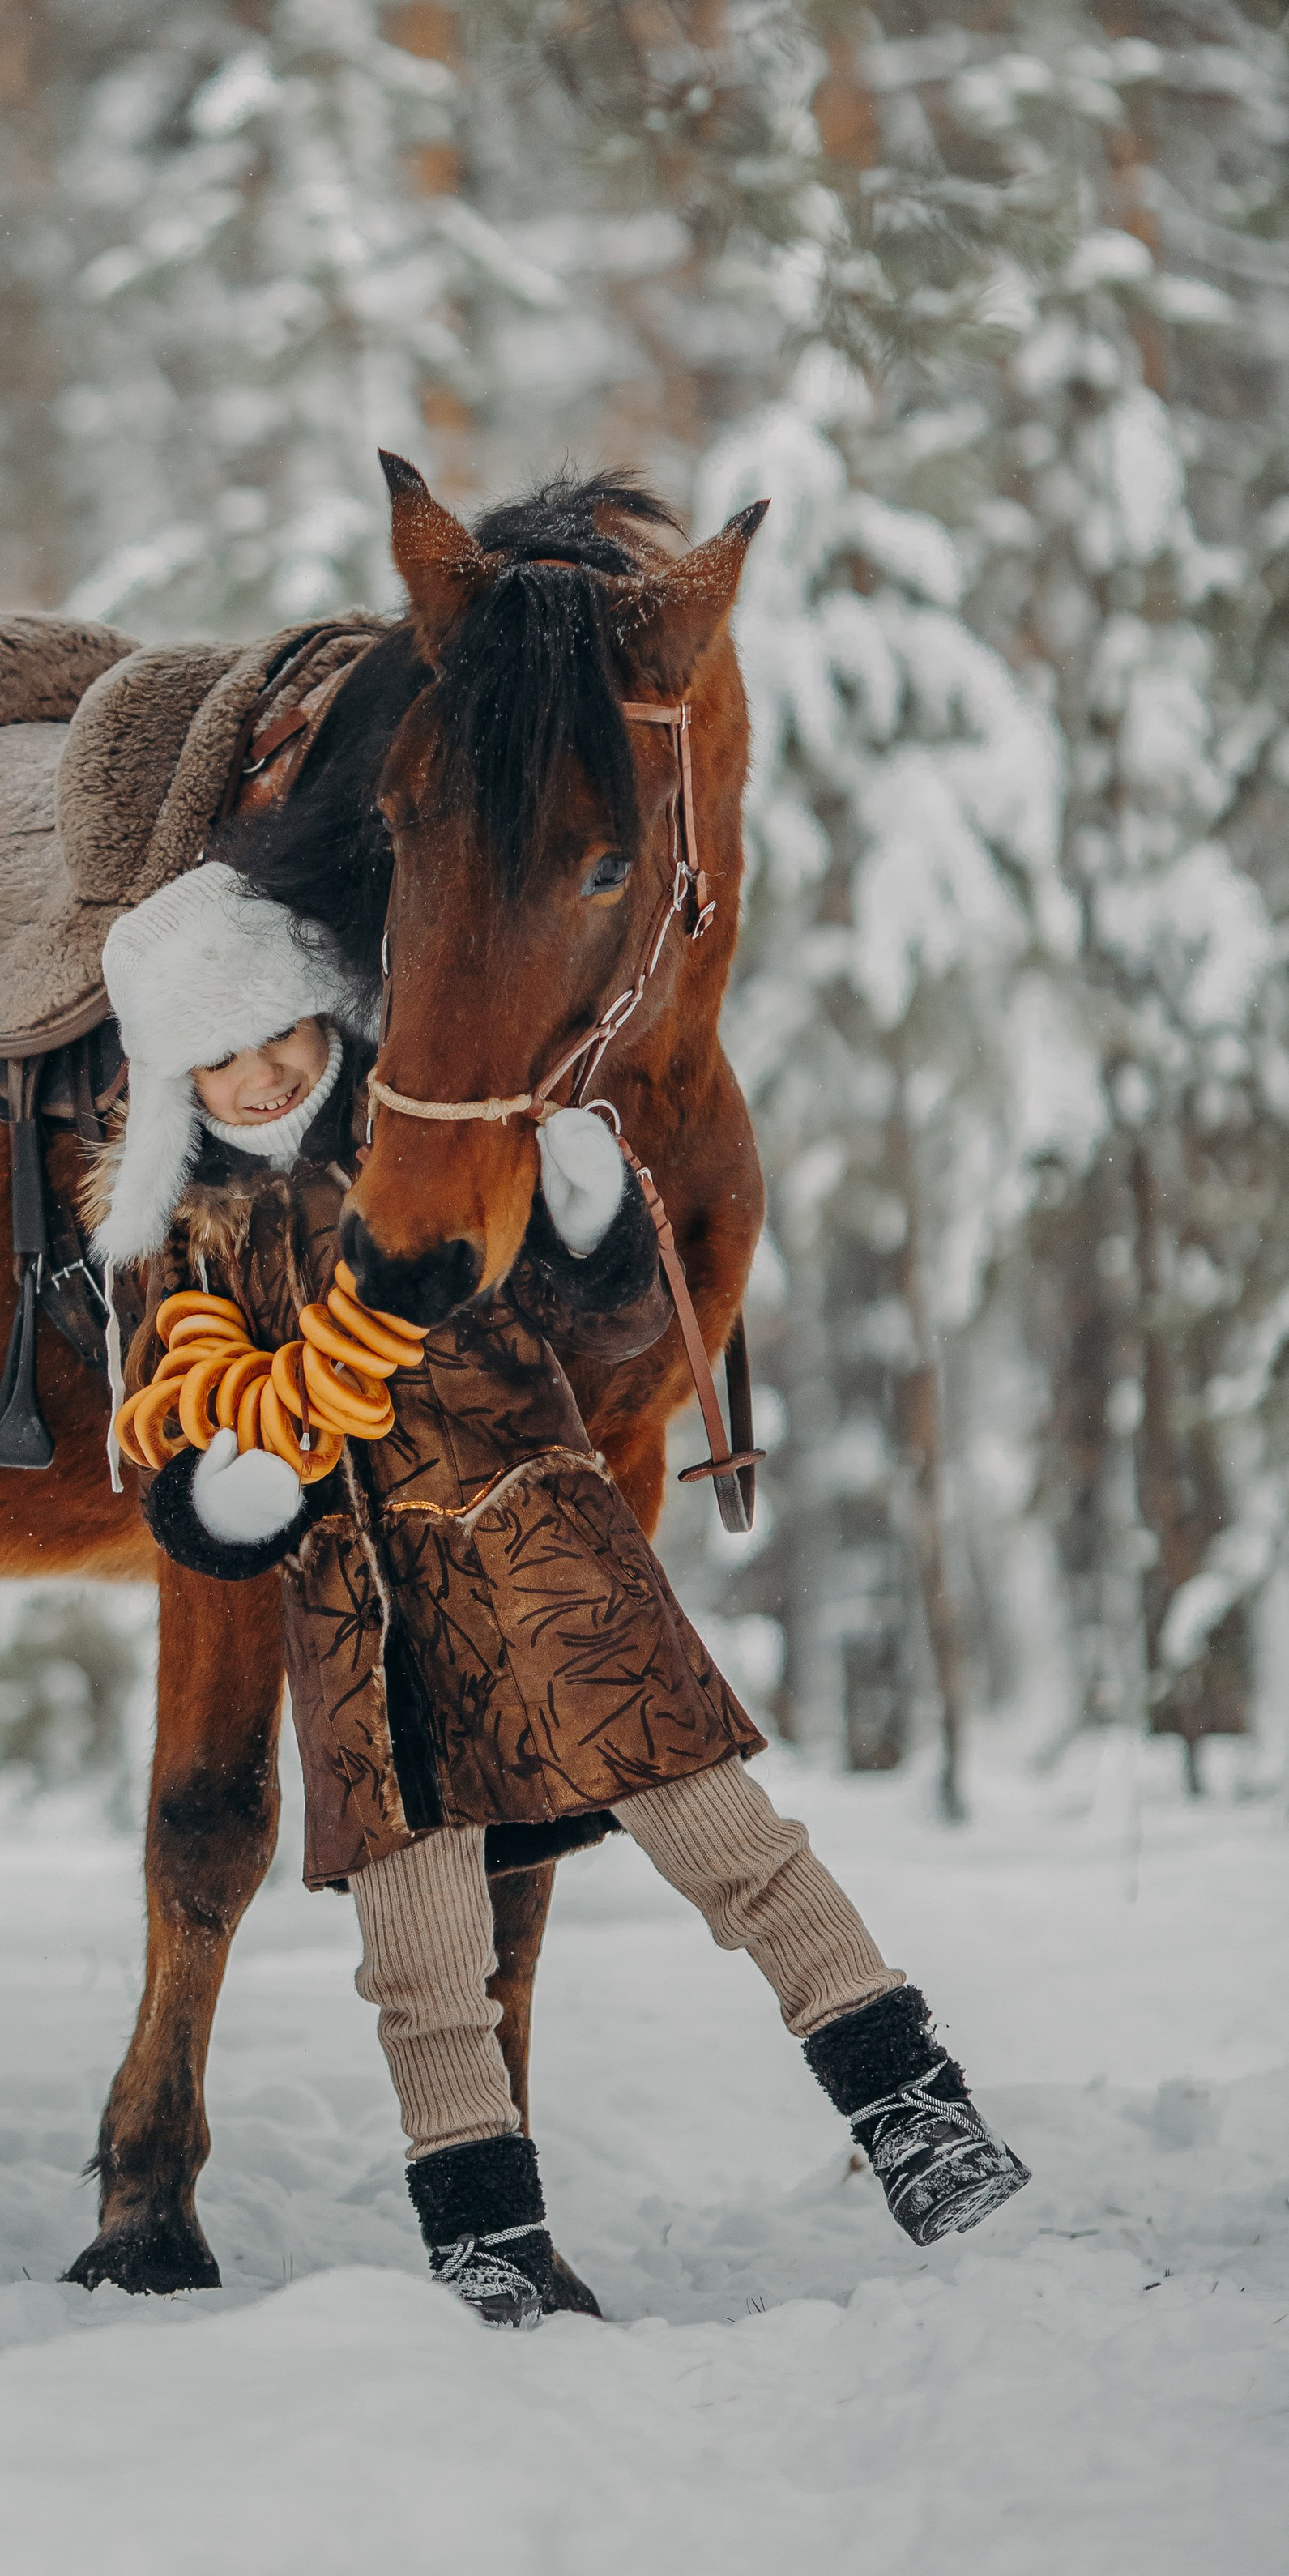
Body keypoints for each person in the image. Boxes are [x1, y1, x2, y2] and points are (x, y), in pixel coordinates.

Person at [93, 861, 1029, 2328]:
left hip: (549, 1567)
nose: (258, 1072)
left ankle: (917, 2117)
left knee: (737, 1849)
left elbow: (615, 1325)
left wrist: (591, 1225)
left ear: (332, 1018)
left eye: (279, 1031)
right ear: (171, 1082)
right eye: (215, 1052)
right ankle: (488, 2239)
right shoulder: (188, 1247)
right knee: (418, 1958)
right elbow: (174, 1437)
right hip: (363, 1631)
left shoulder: (443, 1161)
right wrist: (225, 1496)